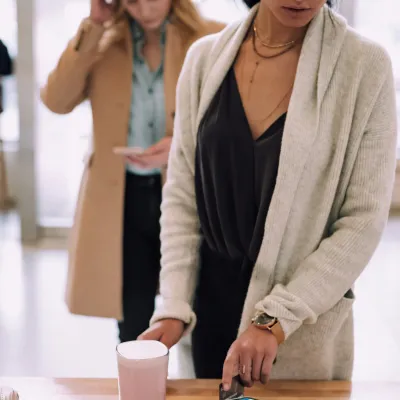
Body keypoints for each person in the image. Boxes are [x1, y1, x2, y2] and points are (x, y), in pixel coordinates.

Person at [140, 0, 397, 387]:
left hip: (297, 323)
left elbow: (362, 221)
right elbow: (182, 198)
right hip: (209, 310)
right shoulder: (204, 60)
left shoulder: (364, 66)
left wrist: (275, 319)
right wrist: (174, 304)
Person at [40, 0, 224, 343]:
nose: (144, 7)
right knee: (134, 320)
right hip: (121, 199)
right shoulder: (102, 41)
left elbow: (233, 121)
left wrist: (182, 145)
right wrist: (94, 24)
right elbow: (55, 100)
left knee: (199, 310)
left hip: (189, 194)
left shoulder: (210, 37)